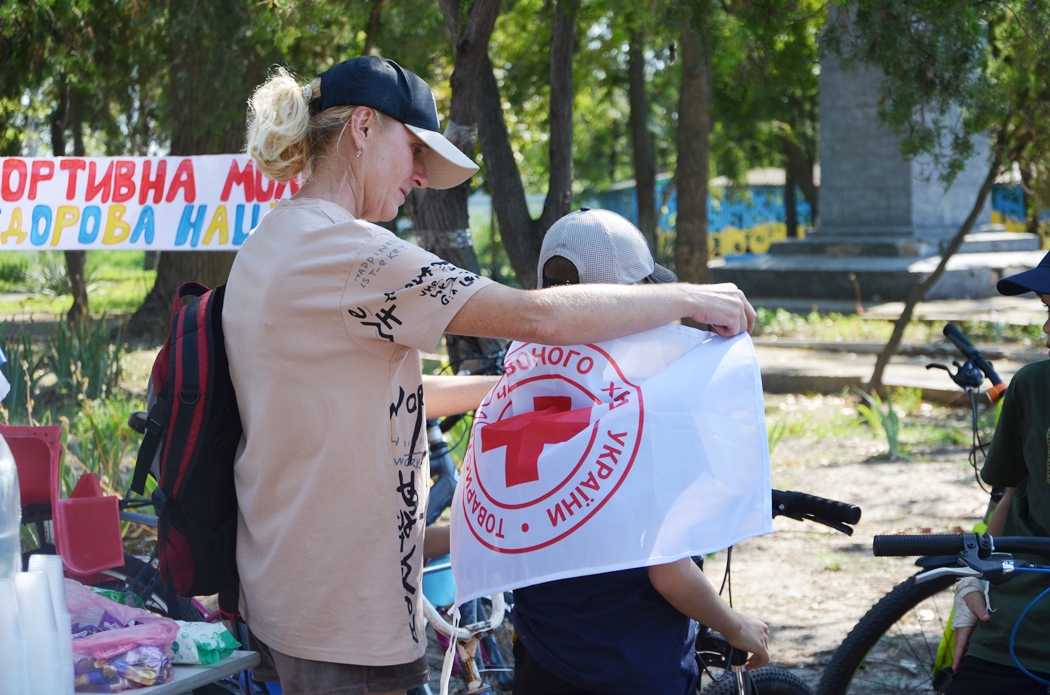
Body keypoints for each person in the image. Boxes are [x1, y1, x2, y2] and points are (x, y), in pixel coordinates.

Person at [227, 55, 756, 695]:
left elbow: (373, 395)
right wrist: (688, 300)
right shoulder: (349, 254)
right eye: (415, 148)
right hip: (346, 626)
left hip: (289, 591)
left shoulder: (275, 241)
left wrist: (510, 391)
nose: (421, 177)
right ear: (364, 128)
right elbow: (532, 316)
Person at [511, 208, 770, 695]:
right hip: (632, 668)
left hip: (541, 660)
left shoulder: (524, 393)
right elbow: (667, 569)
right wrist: (734, 623)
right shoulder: (640, 413)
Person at [947, 252, 1050, 694]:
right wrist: (973, 576)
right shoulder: (1034, 386)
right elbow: (1007, 492)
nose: (1047, 329)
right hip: (1020, 627)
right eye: (1048, 308)